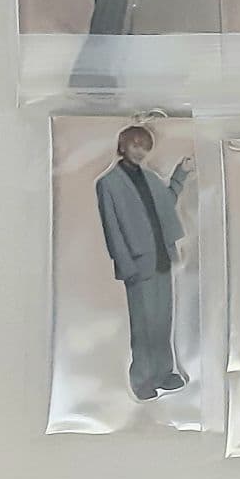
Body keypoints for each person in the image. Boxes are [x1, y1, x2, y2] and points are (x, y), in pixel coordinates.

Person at [95, 126, 193, 401]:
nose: (140, 151)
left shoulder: (150, 177)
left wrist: (181, 173)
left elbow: (167, 202)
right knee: (143, 326)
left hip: (162, 257)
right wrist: (125, 265)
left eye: (145, 147)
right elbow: (112, 229)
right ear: (123, 146)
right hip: (137, 264)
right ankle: (142, 380)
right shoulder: (108, 183)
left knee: (163, 321)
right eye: (135, 145)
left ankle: (163, 373)